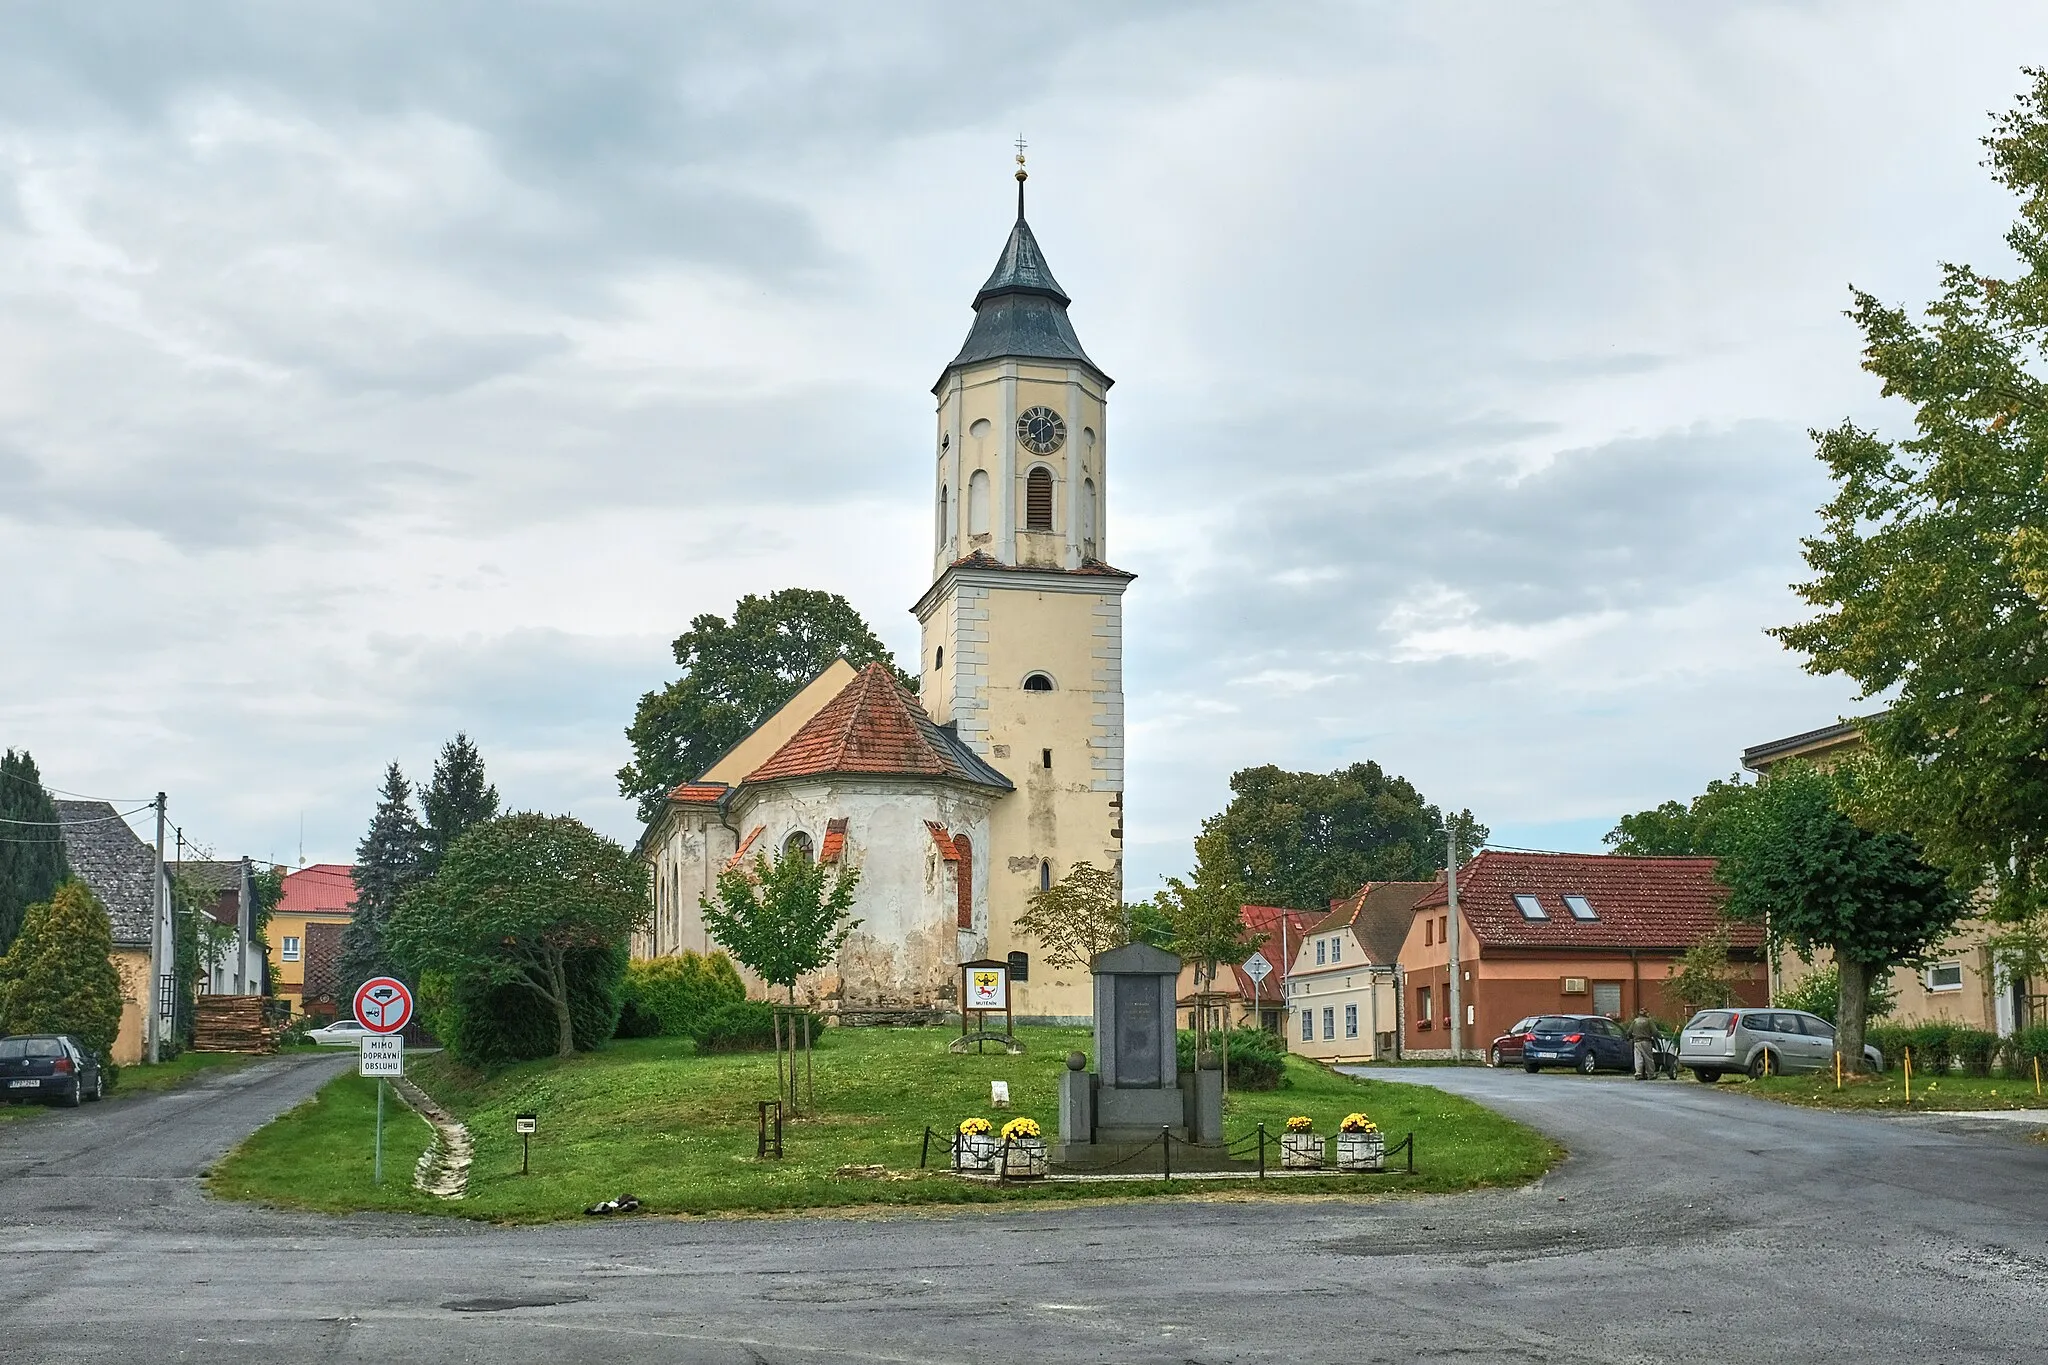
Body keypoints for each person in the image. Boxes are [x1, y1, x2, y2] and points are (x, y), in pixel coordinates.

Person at [1628, 1007, 1661, 1080]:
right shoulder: (1649, 1021)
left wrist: (1630, 1037)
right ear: (1646, 1014)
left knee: (1638, 1058)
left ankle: (1638, 1073)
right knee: (1648, 1058)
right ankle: (1650, 1074)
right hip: (1646, 1041)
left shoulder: (1635, 1021)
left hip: (1637, 1042)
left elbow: (1629, 1032)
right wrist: (1659, 1036)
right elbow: (1655, 1031)